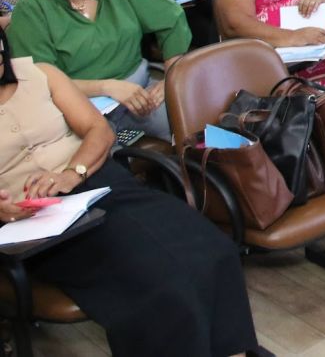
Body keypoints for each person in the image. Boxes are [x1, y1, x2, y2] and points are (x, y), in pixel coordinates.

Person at [0, 28, 259, 356]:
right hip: (34, 224)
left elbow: (98, 129)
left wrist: (71, 172)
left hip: (96, 184)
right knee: (161, 285)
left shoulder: (40, 75)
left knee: (215, 251)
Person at [9, 0, 190, 139]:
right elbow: (40, 80)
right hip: (77, 108)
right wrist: (105, 87)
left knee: (193, 128)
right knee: (101, 150)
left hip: (141, 91)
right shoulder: (32, 9)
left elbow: (171, 18)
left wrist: (171, 77)